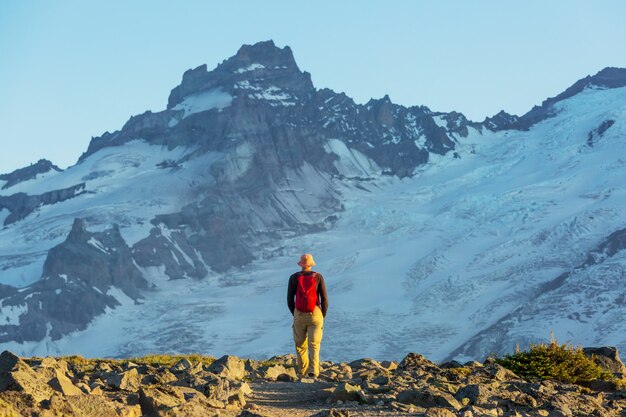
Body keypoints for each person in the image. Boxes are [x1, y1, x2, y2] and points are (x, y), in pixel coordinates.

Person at [287, 253, 329, 378]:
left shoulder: (294, 277)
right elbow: (324, 299)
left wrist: (295, 313)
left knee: (300, 345)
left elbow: (289, 299)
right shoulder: (318, 277)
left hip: (299, 313)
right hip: (315, 313)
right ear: (311, 264)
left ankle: (302, 371)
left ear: (301, 264)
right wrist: (322, 315)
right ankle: (313, 371)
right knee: (314, 344)